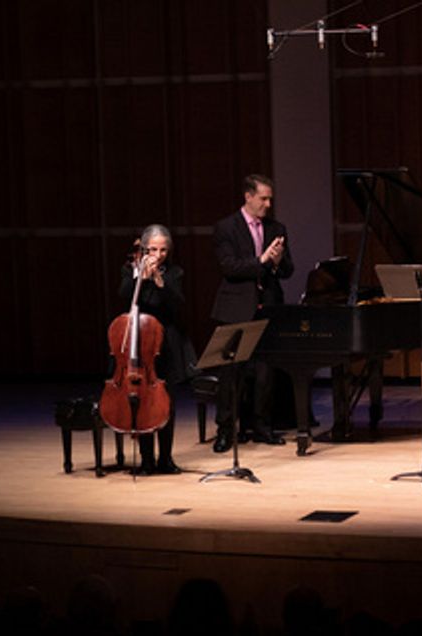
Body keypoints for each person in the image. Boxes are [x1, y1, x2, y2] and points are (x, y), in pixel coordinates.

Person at [209, 174, 295, 452]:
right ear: (248, 196)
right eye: (263, 198)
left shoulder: (276, 227)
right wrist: (262, 260)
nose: (268, 204)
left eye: (270, 198)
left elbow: (288, 271)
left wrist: (278, 262)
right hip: (235, 308)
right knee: (230, 372)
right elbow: (230, 267)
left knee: (265, 372)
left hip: (267, 306)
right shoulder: (226, 227)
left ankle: (262, 427)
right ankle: (225, 430)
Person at [117, 224, 196, 474]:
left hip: (167, 344)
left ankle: (166, 459)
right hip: (139, 345)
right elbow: (124, 297)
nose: (158, 255)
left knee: (166, 402)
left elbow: (177, 305)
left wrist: (160, 281)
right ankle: (146, 459)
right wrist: (139, 277)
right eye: (152, 249)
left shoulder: (174, 272)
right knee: (142, 402)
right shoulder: (130, 269)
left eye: (163, 250)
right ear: (143, 248)